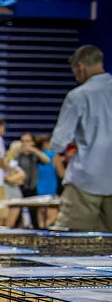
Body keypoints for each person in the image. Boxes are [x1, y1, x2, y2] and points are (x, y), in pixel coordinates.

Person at [51, 45, 112, 232]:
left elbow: (60, 140)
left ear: (81, 66)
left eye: (75, 72)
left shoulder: (78, 96)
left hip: (85, 181)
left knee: (72, 246)